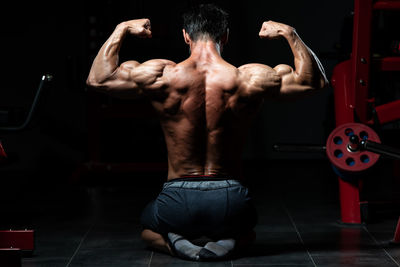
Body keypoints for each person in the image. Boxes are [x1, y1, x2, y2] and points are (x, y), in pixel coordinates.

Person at [86, 3, 328, 261]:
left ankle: (175, 243)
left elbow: (98, 79)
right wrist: (290, 33)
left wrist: (120, 29)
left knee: (148, 228)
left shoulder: (162, 75)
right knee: (248, 232)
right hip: (229, 199)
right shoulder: (248, 77)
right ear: (225, 36)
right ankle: (231, 240)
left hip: (176, 198)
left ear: (185, 36)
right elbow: (314, 81)